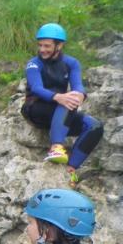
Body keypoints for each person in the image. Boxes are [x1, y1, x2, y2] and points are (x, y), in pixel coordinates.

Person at [21, 23, 103, 187]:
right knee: (68, 101)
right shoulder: (33, 64)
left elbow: (78, 86)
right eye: (40, 45)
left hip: (59, 113)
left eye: (47, 46)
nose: (42, 49)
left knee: (94, 126)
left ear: (59, 45)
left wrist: (80, 94)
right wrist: (59, 97)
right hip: (36, 109)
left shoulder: (71, 63)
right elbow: (36, 88)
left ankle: (71, 169)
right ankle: (56, 147)